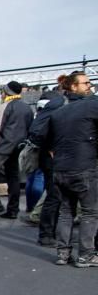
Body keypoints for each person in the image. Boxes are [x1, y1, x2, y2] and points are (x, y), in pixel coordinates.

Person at [44, 71, 98, 267]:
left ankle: (63, 254)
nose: (89, 86)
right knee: (90, 212)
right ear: (73, 86)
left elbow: (47, 142)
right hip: (84, 167)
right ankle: (86, 255)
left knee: (66, 212)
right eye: (85, 83)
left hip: (60, 168)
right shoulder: (92, 105)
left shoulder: (58, 113)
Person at [0, 81, 33, 221]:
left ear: (6, 92)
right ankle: (13, 209)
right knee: (13, 177)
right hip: (18, 147)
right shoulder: (27, 108)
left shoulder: (5, 106)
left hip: (3, 146)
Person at [27, 87, 67, 247]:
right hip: (53, 158)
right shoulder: (60, 106)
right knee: (55, 196)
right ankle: (46, 234)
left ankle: (48, 232)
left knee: (53, 195)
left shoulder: (50, 107)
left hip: (48, 157)